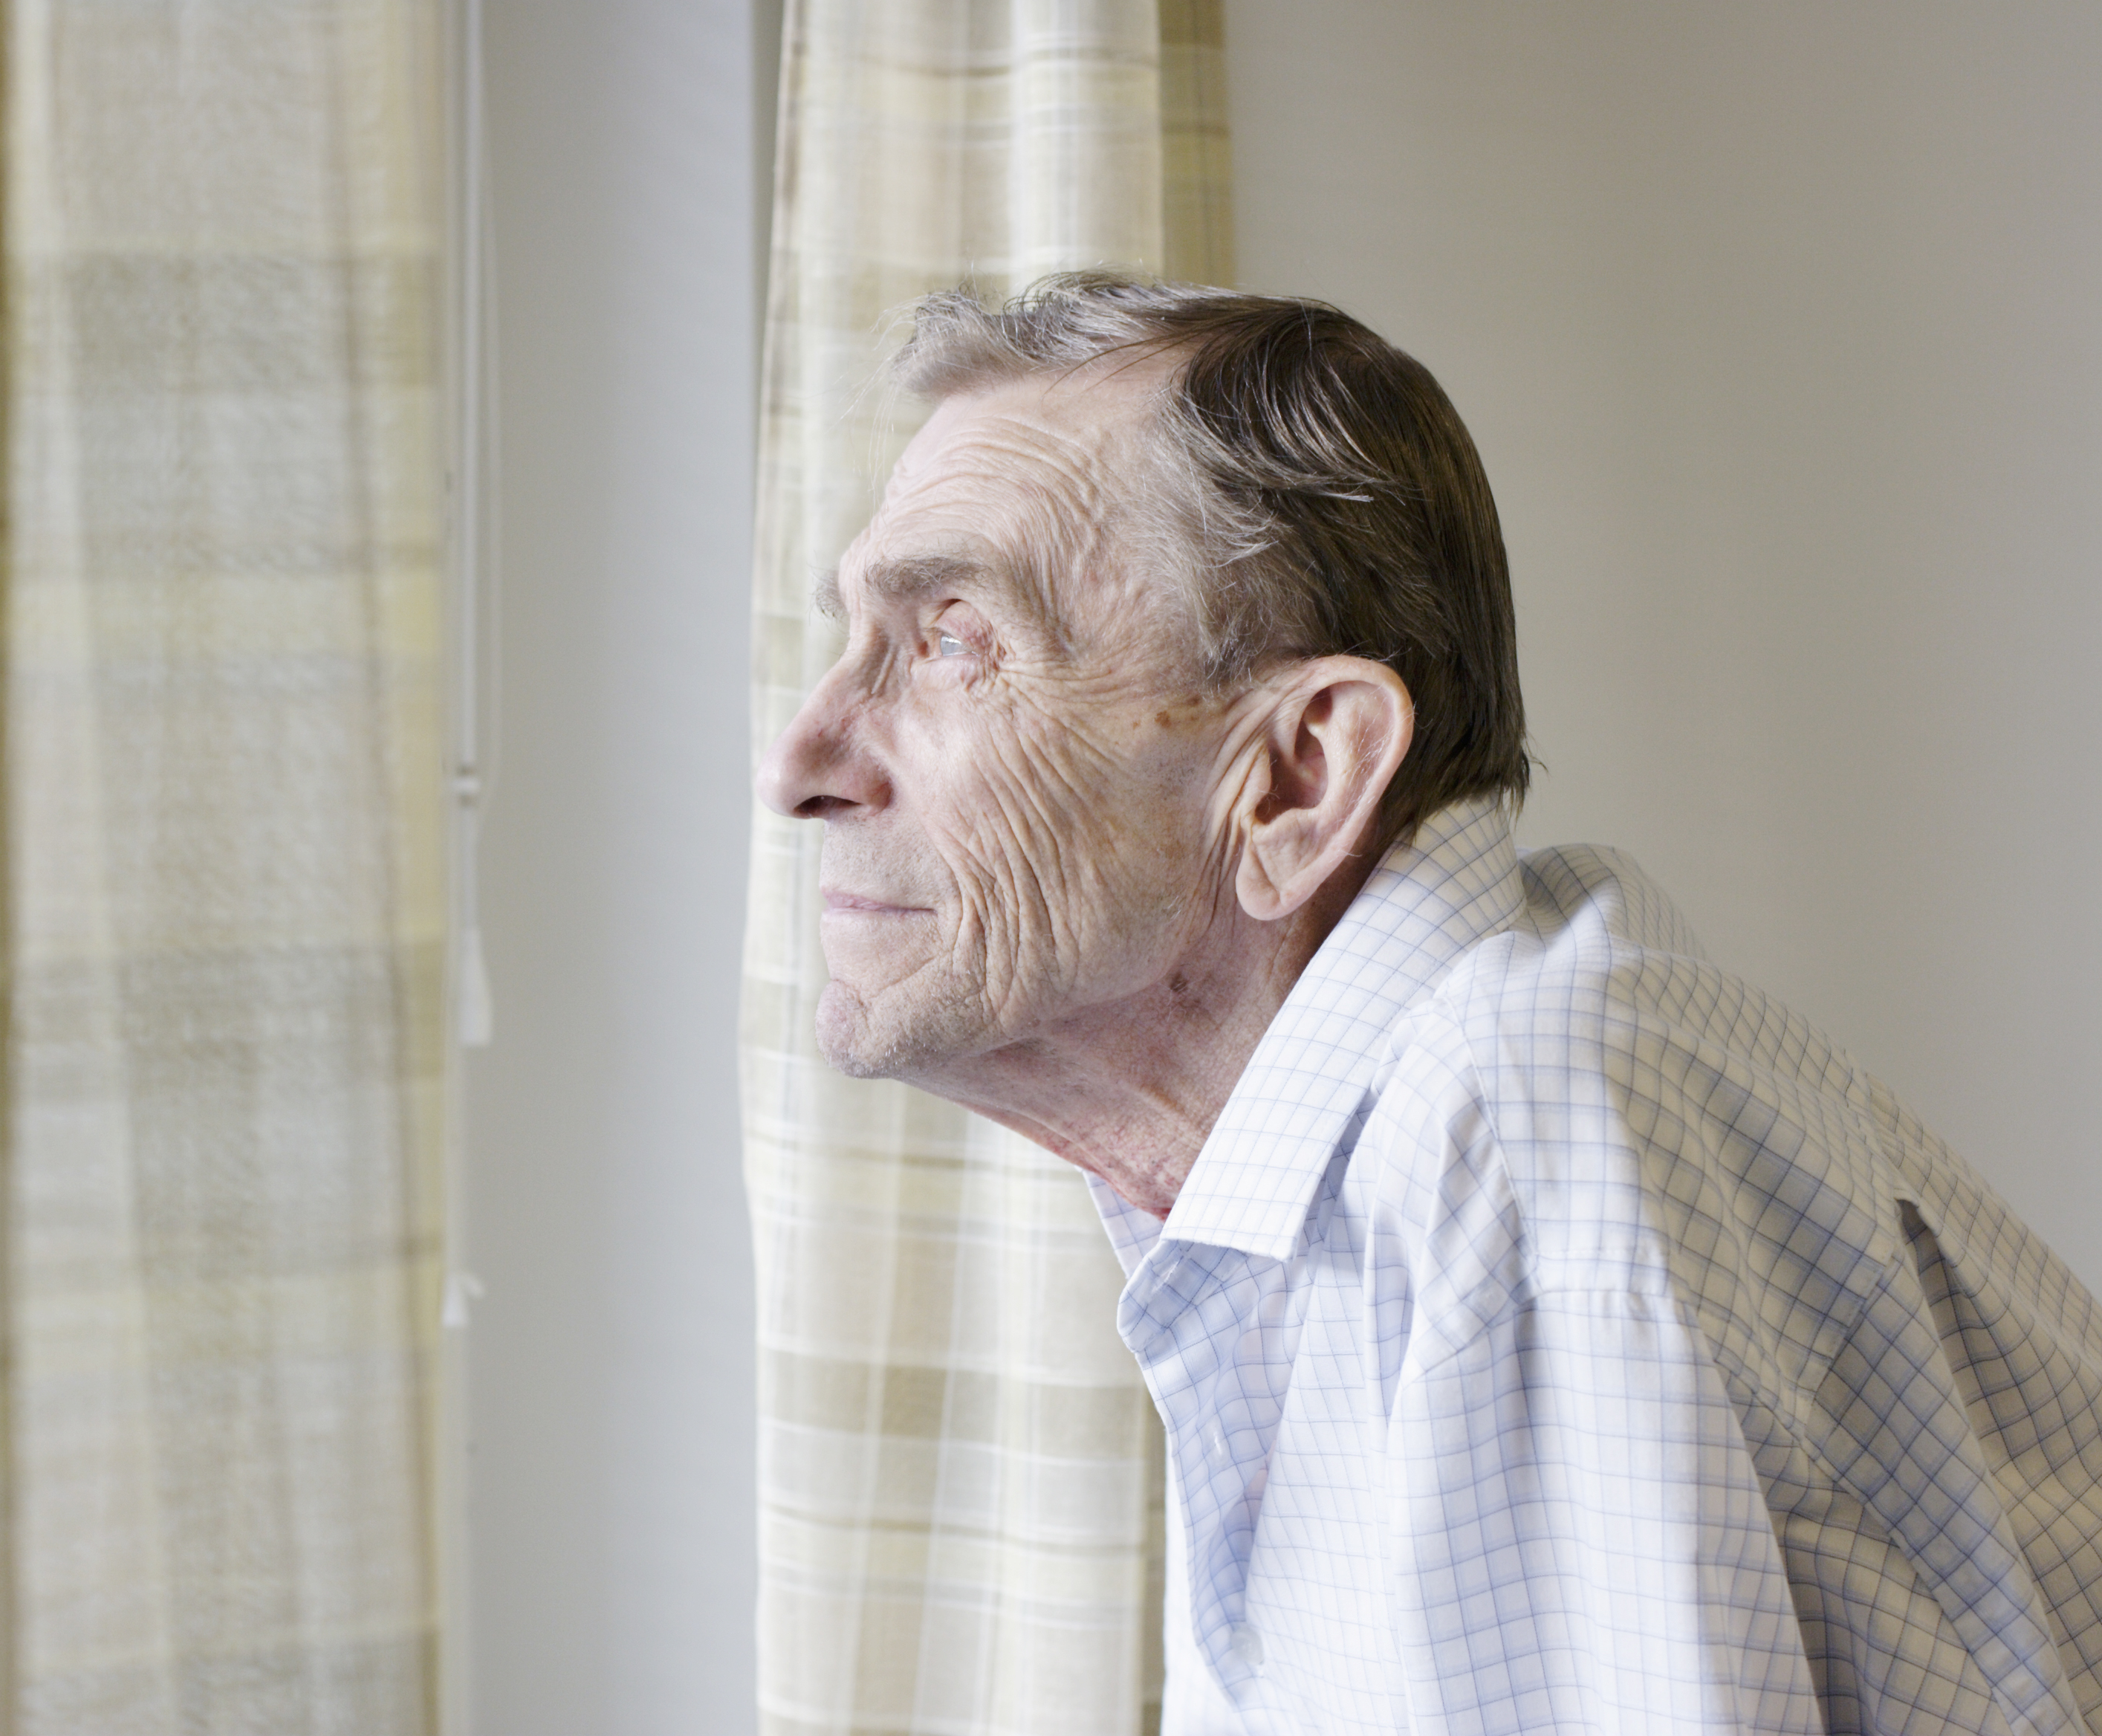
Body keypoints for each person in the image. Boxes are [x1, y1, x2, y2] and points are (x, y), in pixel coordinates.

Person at [755, 274, 2102, 1736]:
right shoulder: (1422, 1119)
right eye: (856, 635)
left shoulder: (1513, 1135)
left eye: (954, 637)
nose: (806, 758)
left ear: (1298, 779)